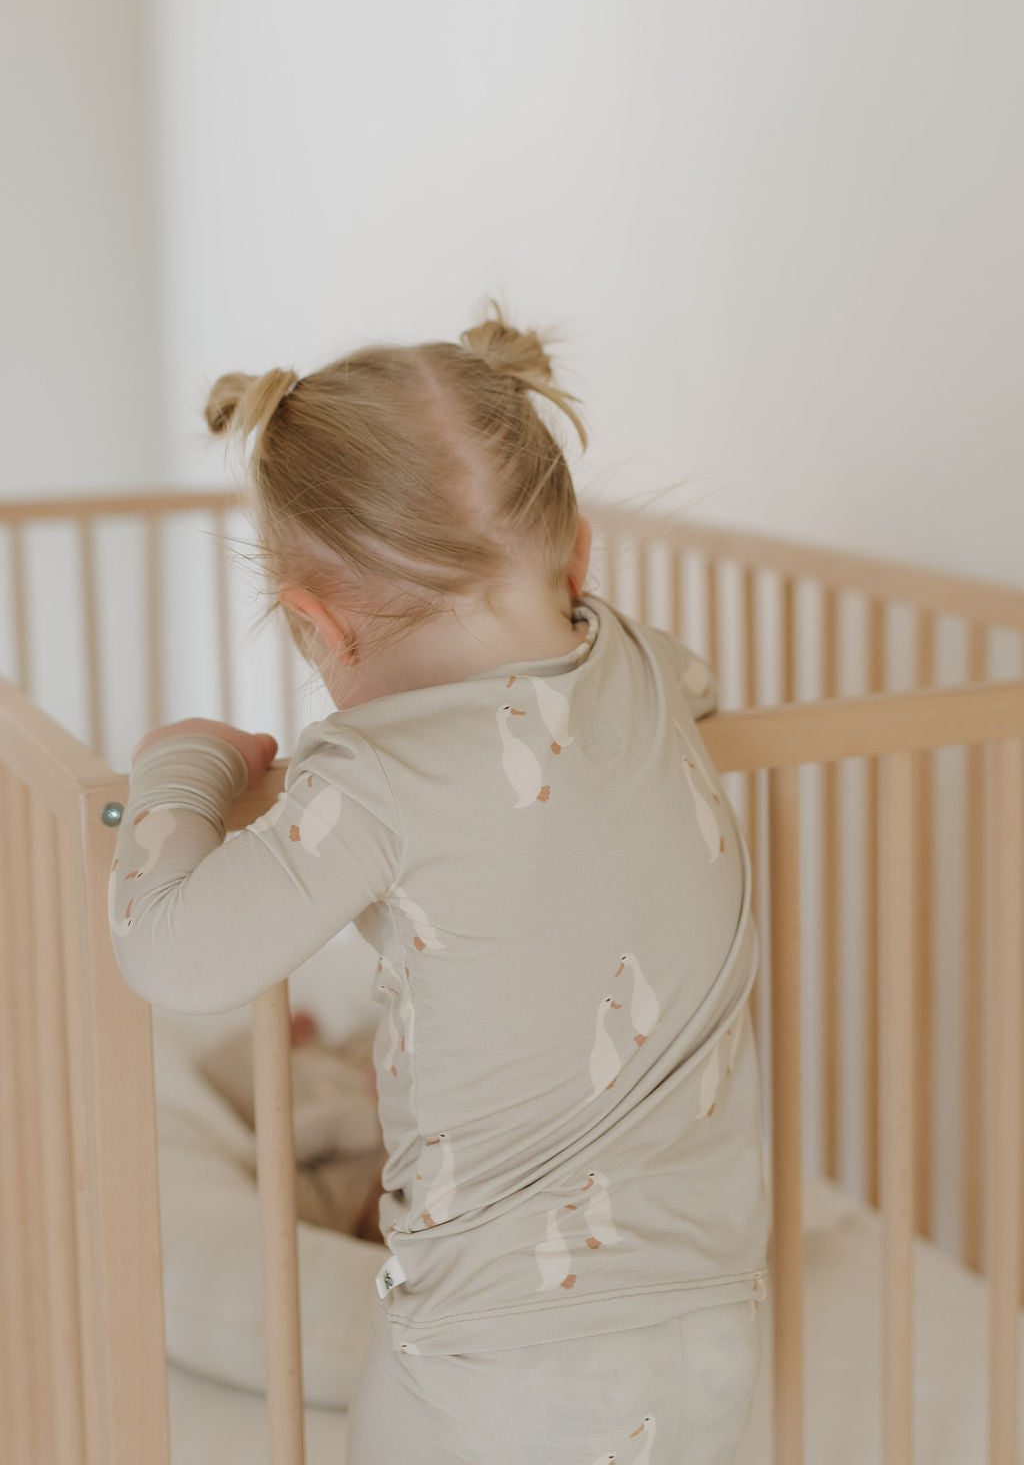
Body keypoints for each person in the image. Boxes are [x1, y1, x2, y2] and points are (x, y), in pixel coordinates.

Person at [109, 301, 769, 1465]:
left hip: (493, 1363)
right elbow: (699, 679)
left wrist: (183, 770)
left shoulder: (367, 778)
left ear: (315, 629)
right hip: (718, 1328)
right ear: (575, 558)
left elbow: (170, 952)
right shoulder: (642, 671)